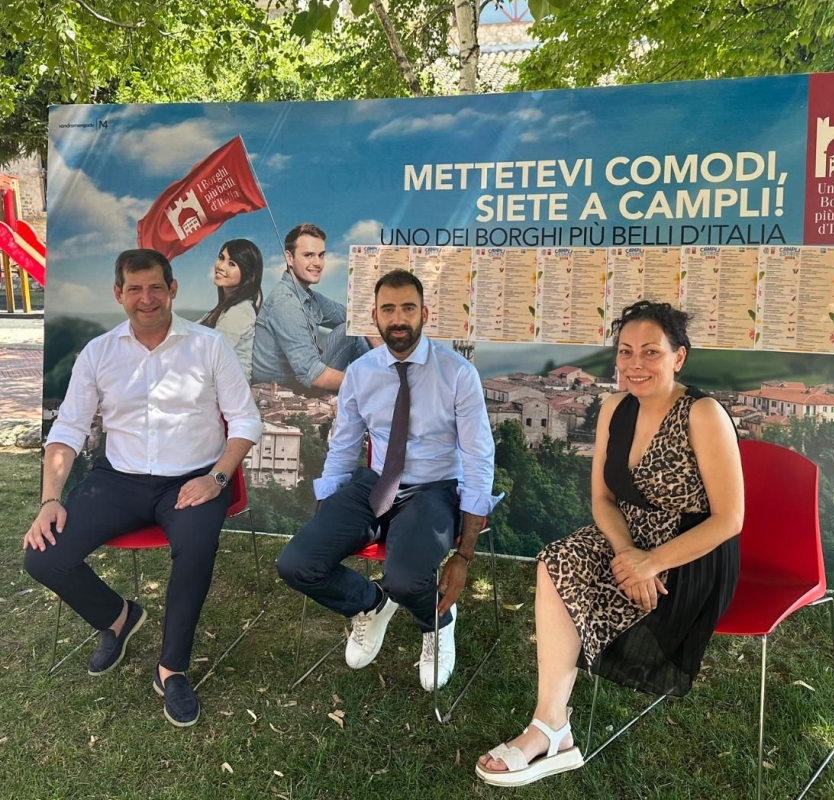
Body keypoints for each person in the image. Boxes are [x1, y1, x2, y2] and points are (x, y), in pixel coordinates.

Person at [476, 300, 744, 786]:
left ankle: (550, 732)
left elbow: (729, 520)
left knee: (574, 572)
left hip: (690, 552)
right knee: (555, 561)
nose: (635, 364)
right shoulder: (614, 408)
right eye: (625, 351)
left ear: (679, 356)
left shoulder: (703, 414)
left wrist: (652, 562)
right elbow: (602, 500)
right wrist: (628, 556)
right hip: (628, 538)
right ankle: (551, 727)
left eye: (651, 351)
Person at [23, 249, 263, 728]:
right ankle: (119, 618)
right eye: (134, 289)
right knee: (43, 557)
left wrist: (217, 478)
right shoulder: (98, 352)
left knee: (195, 549)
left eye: (156, 287)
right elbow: (68, 429)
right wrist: (50, 499)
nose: (146, 299)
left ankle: (172, 669)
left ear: (173, 289)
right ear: (119, 294)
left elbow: (245, 420)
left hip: (192, 479)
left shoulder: (209, 345)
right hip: (119, 479)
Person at [276, 268, 500, 691]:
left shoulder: (457, 374)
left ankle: (437, 621)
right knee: (297, 564)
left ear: (424, 315)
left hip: (433, 489)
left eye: (408, 308)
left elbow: (478, 457)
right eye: (388, 309)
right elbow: (343, 445)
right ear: (374, 317)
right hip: (375, 484)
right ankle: (372, 604)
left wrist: (464, 555)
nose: (398, 319)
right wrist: (327, 512)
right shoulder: (361, 372)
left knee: (406, 579)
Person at [251, 222, 370, 393]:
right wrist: (369, 383)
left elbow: (353, 316)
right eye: (308, 255)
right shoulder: (286, 304)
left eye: (321, 255)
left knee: (352, 328)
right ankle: (385, 387)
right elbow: (313, 375)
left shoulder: (307, 296)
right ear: (289, 258)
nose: (318, 263)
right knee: (355, 334)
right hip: (288, 393)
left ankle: (388, 379)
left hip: (304, 379)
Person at [199, 238, 263, 382]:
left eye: (232, 264)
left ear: (247, 273)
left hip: (229, 388)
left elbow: (210, 355)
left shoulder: (239, 312)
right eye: (221, 258)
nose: (221, 266)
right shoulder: (224, 309)